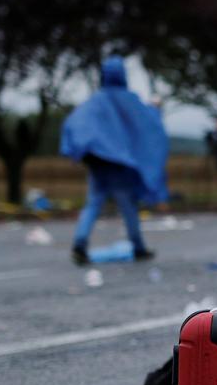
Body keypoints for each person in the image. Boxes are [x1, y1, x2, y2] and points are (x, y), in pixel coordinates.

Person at [60, 56, 168, 265]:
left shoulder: (95, 101)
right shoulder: (130, 101)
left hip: (98, 164)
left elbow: (75, 123)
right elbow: (148, 124)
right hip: (120, 167)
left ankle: (80, 244)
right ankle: (138, 247)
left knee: (93, 204)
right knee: (128, 207)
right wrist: (156, 108)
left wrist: (76, 149)